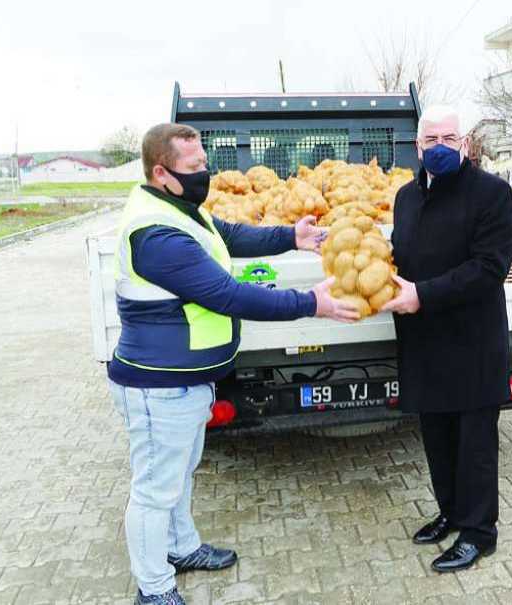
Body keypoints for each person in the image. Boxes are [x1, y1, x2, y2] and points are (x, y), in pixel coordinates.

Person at [108, 123, 358, 605]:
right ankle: (153, 588)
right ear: (161, 173)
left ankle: (181, 548)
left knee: (179, 475)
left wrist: (291, 236)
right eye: (194, 166)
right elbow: (228, 295)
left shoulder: (182, 212)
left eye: (205, 162)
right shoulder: (156, 234)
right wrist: (311, 303)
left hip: (186, 379)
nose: (205, 172)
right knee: (155, 489)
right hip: (159, 385)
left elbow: (229, 235)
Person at [383, 105, 512, 573]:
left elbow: (489, 268)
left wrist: (422, 294)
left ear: (463, 144)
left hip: (472, 340)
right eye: (431, 140)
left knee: (474, 444)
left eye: (448, 139)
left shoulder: (491, 194)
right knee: (437, 437)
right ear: (417, 147)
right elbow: (400, 256)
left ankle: (479, 533)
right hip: (424, 340)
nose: (439, 147)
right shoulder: (406, 197)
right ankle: (452, 513)